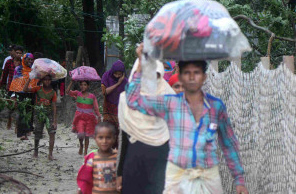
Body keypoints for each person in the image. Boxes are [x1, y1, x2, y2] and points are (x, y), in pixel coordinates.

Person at [125, 43, 249, 194]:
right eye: (187, 73)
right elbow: (133, 101)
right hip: (177, 175)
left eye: (196, 72)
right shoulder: (170, 103)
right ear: (181, 77)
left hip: (208, 176)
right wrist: (141, 63)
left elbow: (229, 144)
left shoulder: (216, 107)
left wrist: (239, 179)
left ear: (204, 77)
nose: (191, 77)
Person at [117, 59, 175, 193]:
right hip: (133, 165)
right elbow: (123, 141)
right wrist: (119, 174)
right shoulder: (126, 102)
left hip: (161, 166)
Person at [76, 122, 118, 194]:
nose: (104, 141)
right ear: (95, 138)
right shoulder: (92, 158)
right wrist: (81, 189)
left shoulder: (117, 157)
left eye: (108, 137)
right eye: (100, 138)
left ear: (114, 138)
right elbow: (85, 177)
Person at [23, 75, 57, 160]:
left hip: (48, 114)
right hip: (38, 113)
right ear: (42, 81)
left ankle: (50, 154)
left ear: (51, 81)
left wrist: (55, 121)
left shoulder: (53, 92)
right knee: (38, 132)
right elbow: (25, 89)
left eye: (49, 80)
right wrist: (29, 79)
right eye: (45, 80)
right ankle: (35, 151)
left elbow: (54, 106)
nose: (47, 81)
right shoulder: (38, 89)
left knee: (52, 133)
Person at [66, 80, 102, 156]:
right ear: (79, 86)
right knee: (81, 133)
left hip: (89, 118)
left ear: (88, 86)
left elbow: (95, 107)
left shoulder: (92, 96)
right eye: (81, 85)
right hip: (79, 117)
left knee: (87, 135)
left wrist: (98, 115)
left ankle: (85, 150)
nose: (83, 86)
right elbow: (67, 92)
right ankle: (81, 145)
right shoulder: (77, 94)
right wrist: (72, 82)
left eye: (85, 85)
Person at [9, 53, 39, 140]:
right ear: (24, 59)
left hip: (31, 93)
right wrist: (13, 95)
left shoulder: (33, 69)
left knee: (30, 113)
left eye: (31, 60)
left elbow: (36, 81)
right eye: (28, 59)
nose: (30, 61)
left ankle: (26, 131)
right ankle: (21, 133)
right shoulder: (18, 69)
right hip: (21, 93)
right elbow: (15, 81)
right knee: (22, 113)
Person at [101, 60, 128, 148]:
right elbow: (105, 92)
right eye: (115, 74)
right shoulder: (106, 76)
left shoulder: (126, 82)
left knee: (118, 133)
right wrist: (118, 83)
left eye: (119, 74)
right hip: (108, 108)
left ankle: (117, 153)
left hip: (119, 110)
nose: (117, 76)